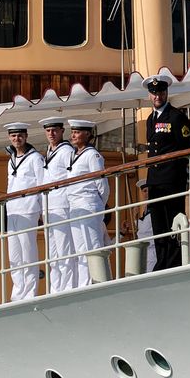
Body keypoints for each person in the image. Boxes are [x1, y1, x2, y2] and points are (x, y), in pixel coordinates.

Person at [142, 76, 190, 270]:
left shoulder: (176, 117)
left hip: (172, 179)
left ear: (166, 93)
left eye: (161, 92)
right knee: (158, 225)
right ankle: (162, 260)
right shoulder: (150, 119)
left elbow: (188, 146)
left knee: (173, 222)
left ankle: (173, 261)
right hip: (155, 180)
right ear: (149, 95)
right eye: (154, 93)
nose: (158, 96)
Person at [60, 119, 109, 287]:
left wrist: (98, 206)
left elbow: (102, 185)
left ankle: (96, 284)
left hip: (88, 204)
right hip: (75, 206)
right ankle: (84, 285)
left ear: (87, 134)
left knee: (92, 247)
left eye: (77, 132)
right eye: (72, 132)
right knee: (80, 250)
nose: (73, 135)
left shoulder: (92, 155)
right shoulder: (74, 155)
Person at [2, 122, 45, 300]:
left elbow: (42, 184)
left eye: (20, 135)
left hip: (28, 209)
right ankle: (17, 292)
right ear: (9, 138)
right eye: (13, 136)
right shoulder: (11, 160)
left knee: (28, 252)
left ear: (26, 136)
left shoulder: (35, 158)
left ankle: (29, 292)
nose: (16, 139)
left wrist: (43, 211)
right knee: (15, 254)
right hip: (12, 211)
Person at [40, 117, 77, 292]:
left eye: (54, 130)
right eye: (48, 131)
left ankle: (68, 287)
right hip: (49, 207)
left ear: (62, 131)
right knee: (53, 254)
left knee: (65, 250)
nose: (51, 134)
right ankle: (56, 288)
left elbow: (71, 179)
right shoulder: (49, 151)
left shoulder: (66, 151)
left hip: (62, 205)